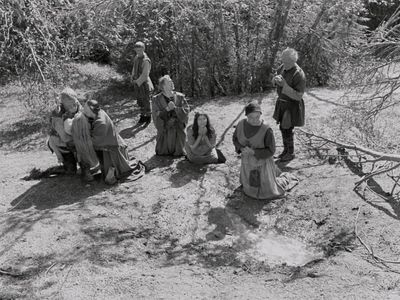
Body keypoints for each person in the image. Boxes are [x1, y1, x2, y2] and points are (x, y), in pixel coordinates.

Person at [233, 102, 297, 200]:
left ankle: (280, 180)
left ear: (260, 115)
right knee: (250, 188)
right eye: (251, 117)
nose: (254, 120)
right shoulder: (241, 124)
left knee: (267, 192)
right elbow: (235, 139)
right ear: (246, 116)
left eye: (257, 117)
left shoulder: (266, 130)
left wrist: (254, 152)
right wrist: (241, 148)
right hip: (247, 164)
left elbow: (271, 151)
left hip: (262, 164)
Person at [78, 100, 144, 184]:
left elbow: (95, 141)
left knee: (109, 176)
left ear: (91, 110)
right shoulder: (98, 112)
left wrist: (82, 138)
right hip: (110, 142)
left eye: (86, 109)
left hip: (111, 148)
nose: (84, 110)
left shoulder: (100, 123)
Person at [272, 48, 306, 162]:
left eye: (286, 62)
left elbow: (299, 95)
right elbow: (276, 79)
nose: (283, 64)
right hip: (282, 103)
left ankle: (290, 153)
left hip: (292, 105)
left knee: (287, 128)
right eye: (283, 61)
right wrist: (275, 80)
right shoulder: (282, 67)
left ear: (293, 61)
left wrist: (284, 85)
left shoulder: (299, 74)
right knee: (282, 128)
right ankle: (285, 151)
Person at [151, 75, 190, 156]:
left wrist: (175, 109)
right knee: (162, 152)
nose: (172, 82)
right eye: (169, 82)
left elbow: (186, 110)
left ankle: (179, 148)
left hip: (178, 129)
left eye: (172, 81)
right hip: (165, 130)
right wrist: (167, 110)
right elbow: (155, 115)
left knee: (180, 152)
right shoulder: (156, 99)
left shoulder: (180, 97)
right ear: (163, 86)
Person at [47, 87, 81, 174]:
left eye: (74, 103)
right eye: (69, 105)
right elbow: (66, 138)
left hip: (74, 138)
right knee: (71, 171)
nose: (73, 107)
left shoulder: (77, 105)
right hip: (61, 142)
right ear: (63, 104)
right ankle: (56, 168)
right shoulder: (57, 115)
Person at [131, 41, 154, 125]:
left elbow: (145, 74)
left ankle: (148, 117)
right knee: (140, 100)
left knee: (146, 100)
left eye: (140, 50)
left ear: (143, 49)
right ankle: (142, 115)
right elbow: (134, 68)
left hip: (144, 84)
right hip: (137, 83)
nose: (138, 52)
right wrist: (132, 77)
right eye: (137, 50)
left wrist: (137, 81)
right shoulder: (136, 58)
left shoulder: (146, 60)